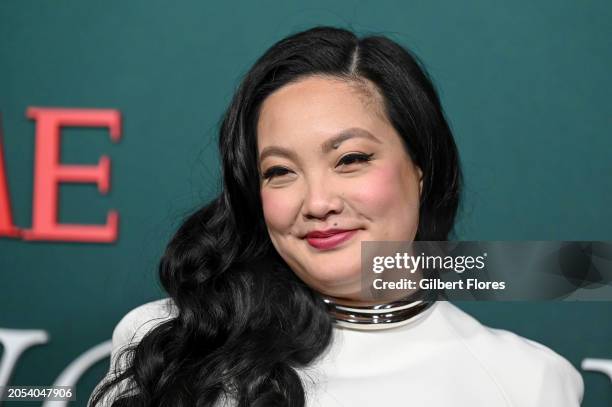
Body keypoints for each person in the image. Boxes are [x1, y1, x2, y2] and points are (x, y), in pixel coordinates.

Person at [89, 26, 584, 407]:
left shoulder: (528, 381)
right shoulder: (169, 338)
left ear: (421, 170)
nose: (317, 202)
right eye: (280, 171)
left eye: (350, 159)